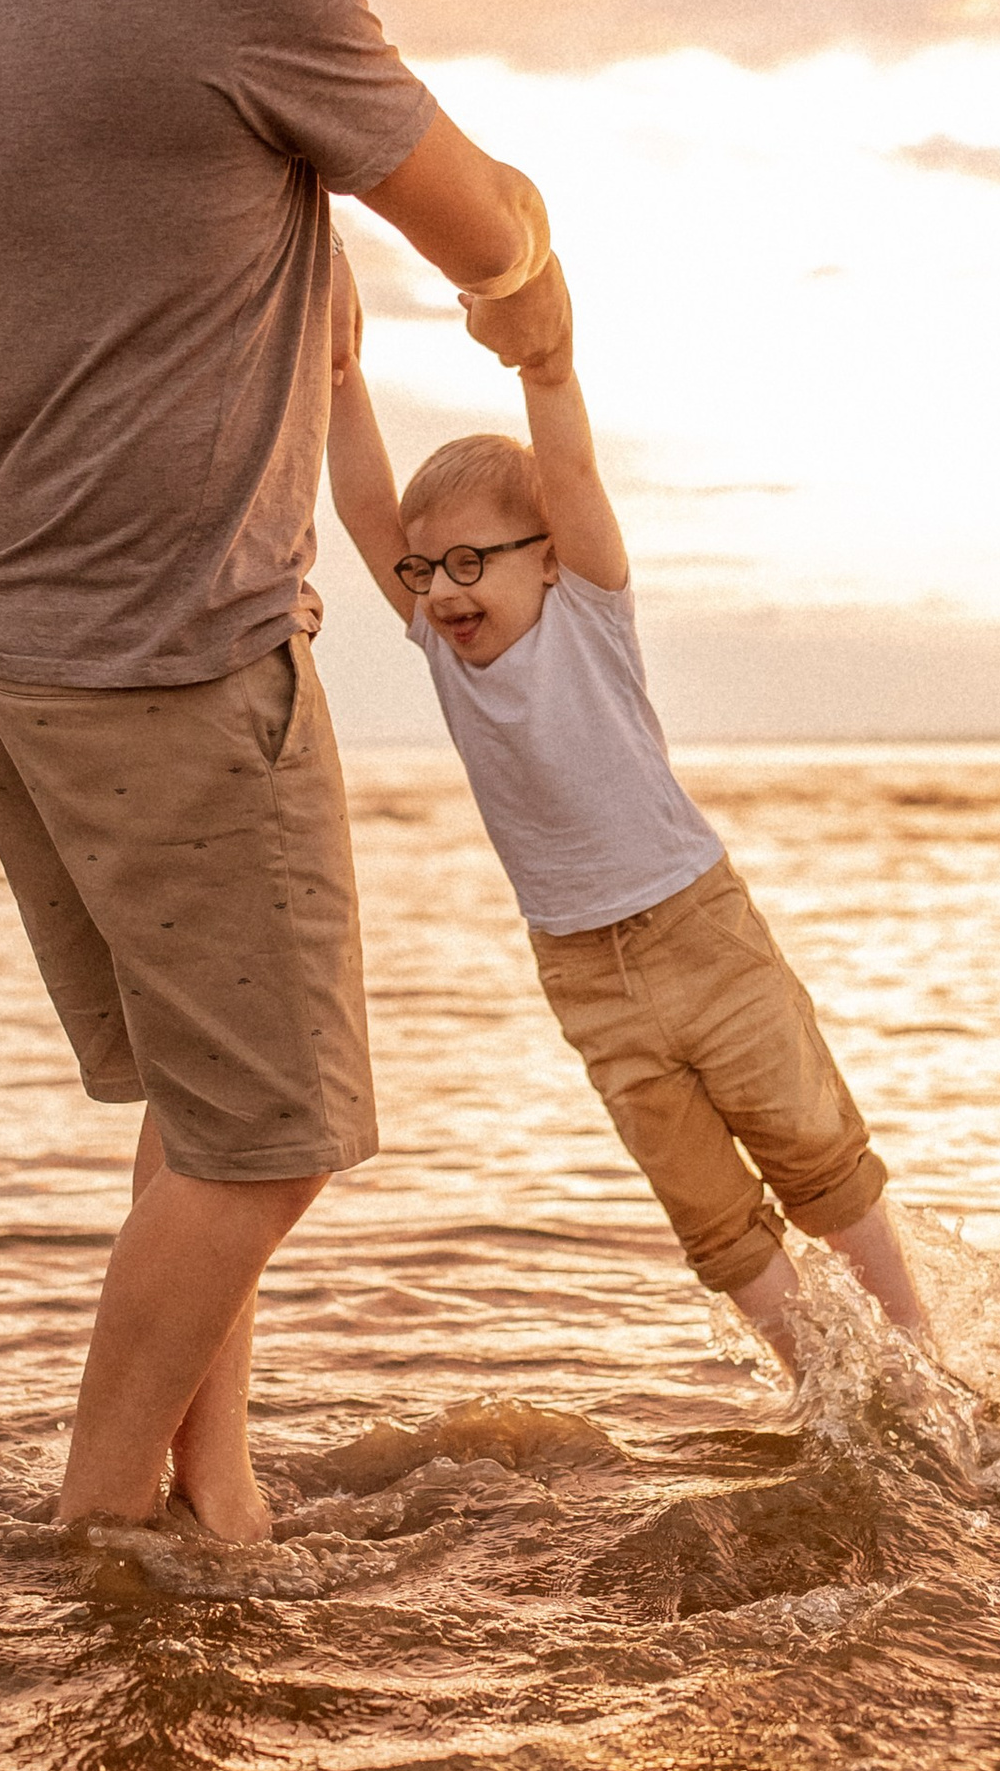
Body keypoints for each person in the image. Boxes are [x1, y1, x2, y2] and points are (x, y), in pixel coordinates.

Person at [0, 0, 568, 1543]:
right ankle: (101, 1530)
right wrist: (538, 281)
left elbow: (177, 251)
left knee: (205, 1103)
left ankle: (220, 1499)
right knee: (272, 1140)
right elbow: (476, 222)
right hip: (170, 653)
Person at [324, 259, 937, 1381]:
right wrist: (338, 376)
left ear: (547, 553)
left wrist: (540, 362)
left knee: (813, 1150)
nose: (447, 591)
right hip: (584, 973)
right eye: (428, 569)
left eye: (473, 561)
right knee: (708, 1215)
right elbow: (366, 510)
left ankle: (921, 1357)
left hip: (696, 927)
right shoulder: (440, 645)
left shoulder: (588, 608)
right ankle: (834, 1389)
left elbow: (567, 458)